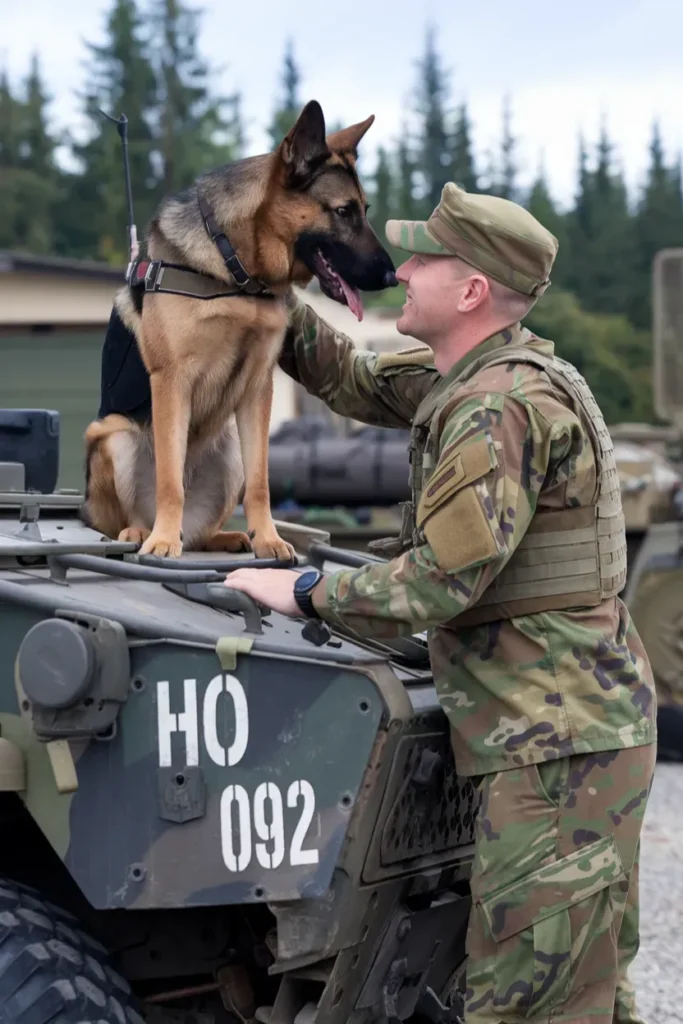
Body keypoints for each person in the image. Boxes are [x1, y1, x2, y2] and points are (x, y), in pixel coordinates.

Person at [227, 182, 657, 1024]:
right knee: (583, 988)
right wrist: (266, 286)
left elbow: (437, 581)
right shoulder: (471, 375)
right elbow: (348, 378)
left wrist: (309, 590)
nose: (401, 269)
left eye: (421, 258)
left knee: (528, 1000)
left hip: (552, 743)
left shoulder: (496, 406)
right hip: (567, 729)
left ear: (469, 293)